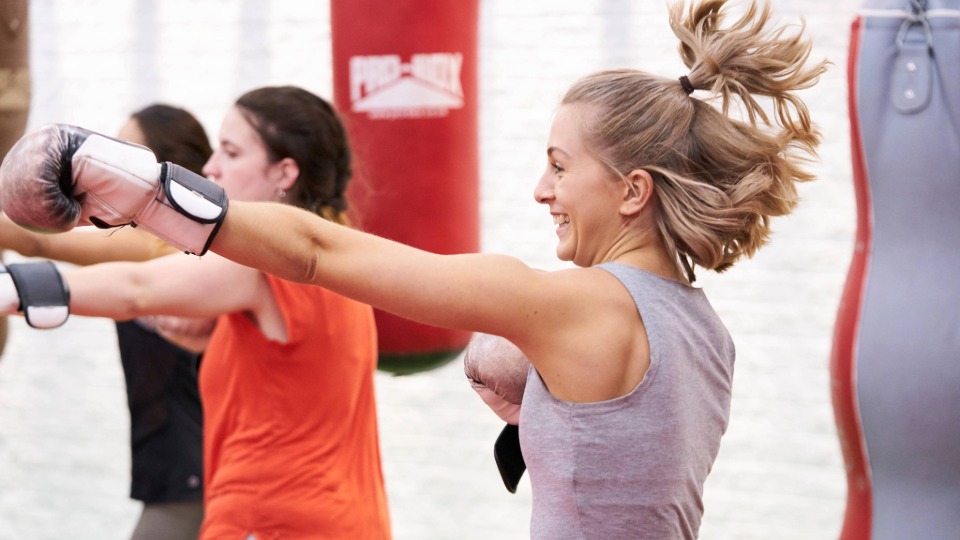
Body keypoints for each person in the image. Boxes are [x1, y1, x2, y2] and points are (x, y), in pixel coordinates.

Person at [0, 0, 827, 537]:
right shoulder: (702, 328)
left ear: (633, 189)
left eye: (559, 167)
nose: (541, 190)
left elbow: (319, 251)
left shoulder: (574, 307)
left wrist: (141, 188)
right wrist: (534, 412)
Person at [0, 87, 391, 539]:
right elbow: (288, 379)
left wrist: (13, 288)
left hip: (273, 519)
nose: (210, 168)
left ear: (284, 171)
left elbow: (136, 288)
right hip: (348, 519)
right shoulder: (342, 261)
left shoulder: (271, 263)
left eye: (231, 152)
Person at [0, 103, 211, 539]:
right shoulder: (177, 240)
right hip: (179, 469)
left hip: (196, 472)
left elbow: (37, 242)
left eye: (125, 151)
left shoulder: (162, 243)